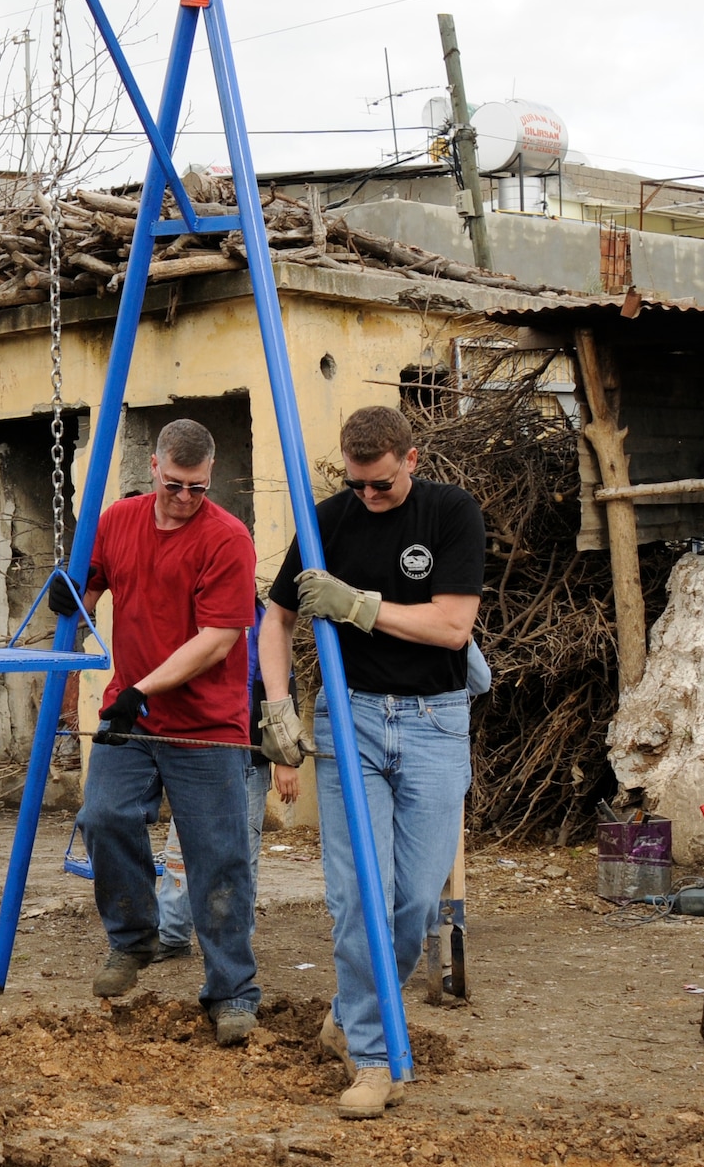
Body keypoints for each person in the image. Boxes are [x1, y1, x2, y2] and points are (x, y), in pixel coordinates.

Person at [257, 405, 484, 1119]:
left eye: (380, 484)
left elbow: (452, 626)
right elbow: (277, 618)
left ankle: (351, 1008)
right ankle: (375, 1056)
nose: (368, 497)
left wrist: (357, 606)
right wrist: (278, 705)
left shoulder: (451, 514)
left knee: (413, 902)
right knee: (358, 897)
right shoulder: (328, 520)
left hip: (434, 724)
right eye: (357, 485)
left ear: (410, 461)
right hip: (350, 717)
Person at [50, 419, 262, 1046]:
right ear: (153, 466)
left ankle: (232, 993)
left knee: (217, 859)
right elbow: (86, 585)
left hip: (207, 726)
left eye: (198, 488)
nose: (186, 498)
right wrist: (72, 595)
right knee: (103, 815)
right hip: (133, 715)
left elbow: (218, 638)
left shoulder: (228, 538)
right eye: (176, 485)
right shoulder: (117, 521)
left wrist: (142, 689)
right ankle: (134, 937)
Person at [151, 597, 276, 961]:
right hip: (199, 751)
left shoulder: (263, 620)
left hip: (249, 757)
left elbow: (277, 687)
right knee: (180, 847)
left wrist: (280, 759)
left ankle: (234, 942)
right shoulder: (191, 612)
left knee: (238, 852)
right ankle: (171, 932)